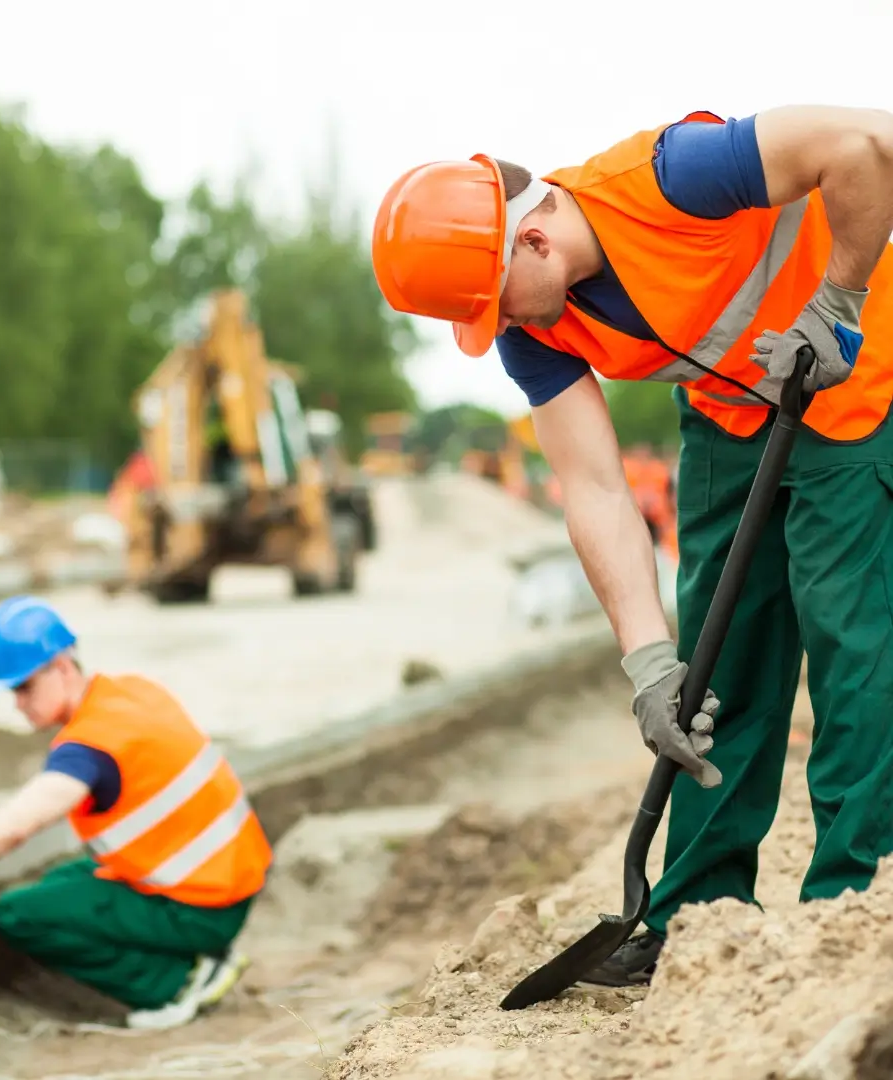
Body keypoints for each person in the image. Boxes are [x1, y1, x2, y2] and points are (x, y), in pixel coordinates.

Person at [370, 105, 893, 987]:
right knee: (711, 672)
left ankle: (855, 899)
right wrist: (649, 666)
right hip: (735, 415)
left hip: (855, 383)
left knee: (853, 646)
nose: (493, 326)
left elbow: (866, 144)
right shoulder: (531, 328)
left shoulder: (674, 175)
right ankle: (697, 913)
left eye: (487, 304)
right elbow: (595, 487)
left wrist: (836, 303)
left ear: (532, 241)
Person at [0, 594, 273, 1029]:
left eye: (24, 687)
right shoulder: (132, 694)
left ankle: (178, 983)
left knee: (20, 914)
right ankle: (197, 955)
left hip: (202, 908)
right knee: (64, 880)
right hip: (230, 884)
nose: (18, 703)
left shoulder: (87, 749)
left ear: (62, 667)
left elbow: (15, 828)